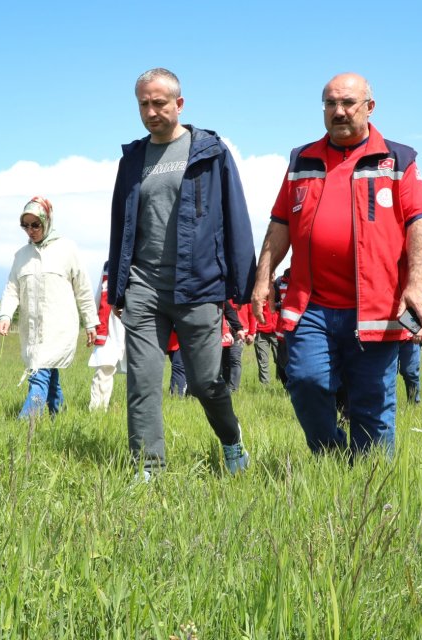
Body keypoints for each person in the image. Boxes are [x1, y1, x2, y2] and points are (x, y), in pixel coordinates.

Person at [251, 72, 422, 460]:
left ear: (369, 107)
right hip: (311, 304)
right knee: (304, 381)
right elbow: (280, 223)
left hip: (376, 308)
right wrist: (263, 277)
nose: (339, 111)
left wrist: (417, 282)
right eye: (330, 103)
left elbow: (418, 221)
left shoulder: (398, 159)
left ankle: (369, 488)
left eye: (348, 103)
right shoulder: (302, 159)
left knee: (373, 404)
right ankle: (332, 455)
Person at [107, 67, 257, 477]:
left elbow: (235, 216)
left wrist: (243, 288)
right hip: (144, 285)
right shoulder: (134, 158)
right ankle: (148, 468)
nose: (151, 111)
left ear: (179, 103)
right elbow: (121, 224)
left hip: (199, 284)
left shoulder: (209, 150)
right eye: (143, 104)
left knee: (207, 382)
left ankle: (231, 440)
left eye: (159, 103)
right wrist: (117, 288)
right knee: (142, 383)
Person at [0, 196, 97, 419]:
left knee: (39, 372)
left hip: (58, 326)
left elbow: (83, 288)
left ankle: (26, 423)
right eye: (26, 225)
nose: (30, 230)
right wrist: (5, 314)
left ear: (47, 220)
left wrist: (91, 322)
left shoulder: (67, 249)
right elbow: (12, 288)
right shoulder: (21, 256)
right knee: (47, 371)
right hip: (31, 328)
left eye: (36, 224)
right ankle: (58, 414)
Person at [89, 263, 126, 411]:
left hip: (132, 324)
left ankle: (138, 412)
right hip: (109, 325)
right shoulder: (108, 266)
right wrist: (91, 321)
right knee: (104, 369)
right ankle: (97, 411)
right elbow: (99, 294)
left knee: (140, 373)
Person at [398, 334, 422, 404]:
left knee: (410, 371)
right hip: (387, 336)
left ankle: (413, 404)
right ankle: (385, 407)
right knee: (387, 373)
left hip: (411, 336)